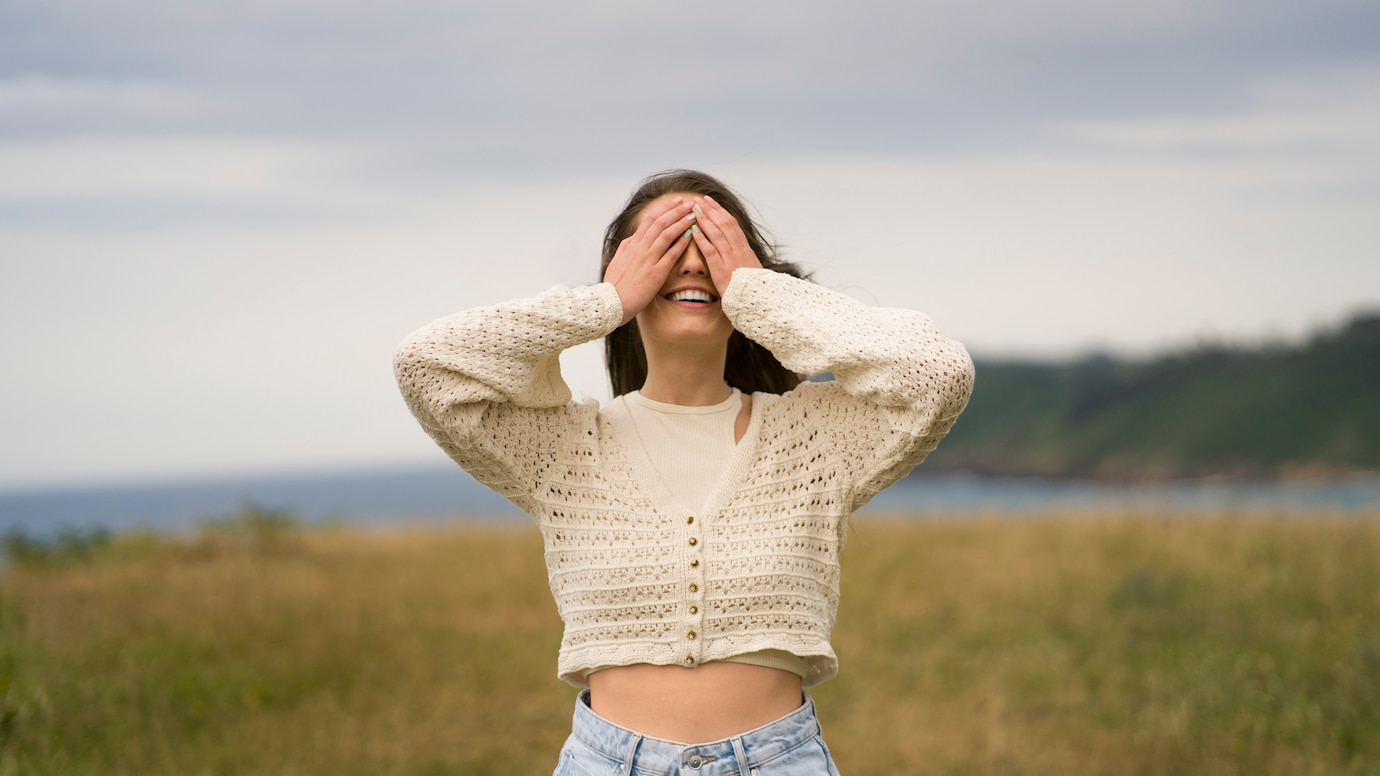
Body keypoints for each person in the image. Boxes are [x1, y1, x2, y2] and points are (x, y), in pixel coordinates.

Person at [394, 170, 974, 774]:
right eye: (668, 246)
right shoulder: (563, 448)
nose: (693, 265)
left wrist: (761, 294)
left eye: (713, 246)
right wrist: (606, 302)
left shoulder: (816, 443)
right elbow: (426, 366)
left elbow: (935, 373)